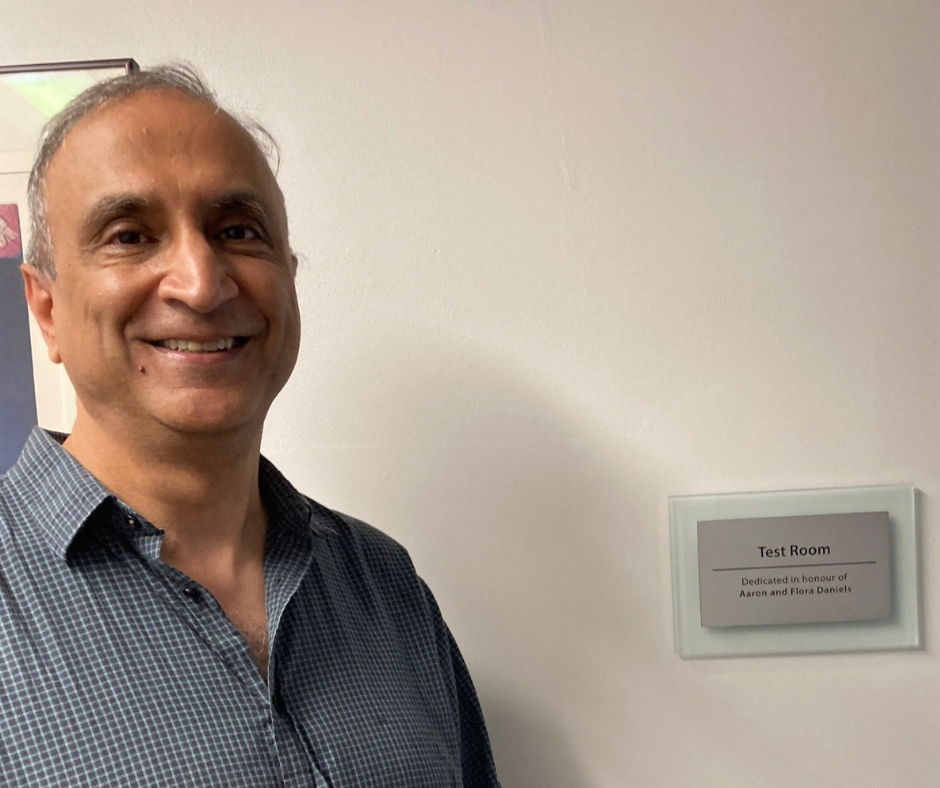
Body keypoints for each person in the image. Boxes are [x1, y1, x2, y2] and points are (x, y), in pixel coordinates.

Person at [2, 64, 501, 787]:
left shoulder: (384, 585)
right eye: (131, 235)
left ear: (288, 278)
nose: (202, 283)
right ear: (47, 309)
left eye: (237, 230)